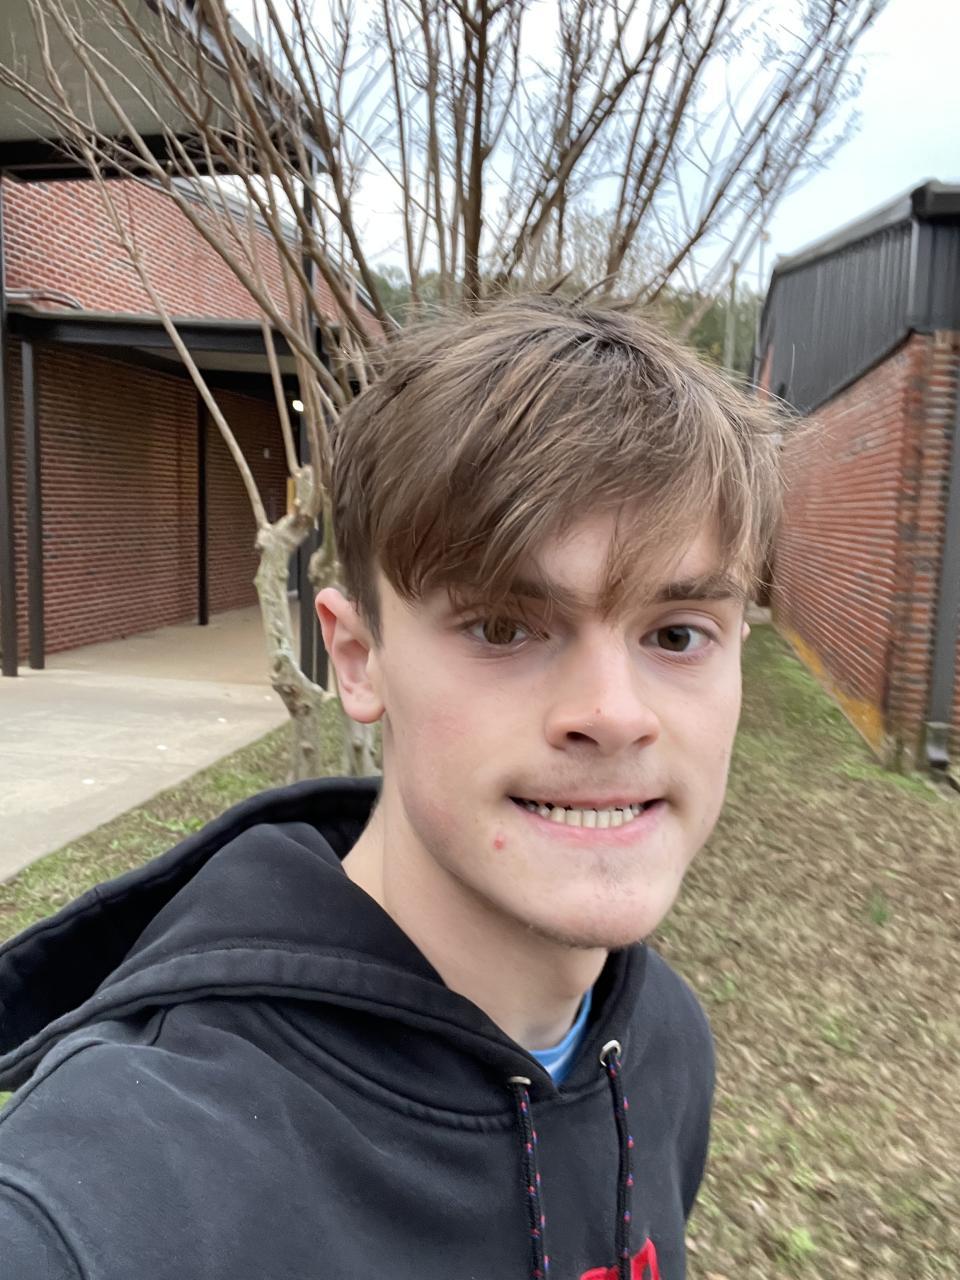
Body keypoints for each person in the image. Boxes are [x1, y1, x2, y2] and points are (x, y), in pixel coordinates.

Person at [0, 296, 782, 1280]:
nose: (614, 713)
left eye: (676, 634)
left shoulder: (663, 1043)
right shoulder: (119, 1186)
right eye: (504, 626)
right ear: (359, 658)